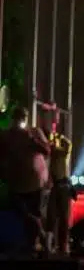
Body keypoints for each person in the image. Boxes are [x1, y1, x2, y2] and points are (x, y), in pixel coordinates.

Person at [0, 106, 50, 256]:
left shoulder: (34, 132)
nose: (20, 121)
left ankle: (34, 244)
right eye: (18, 117)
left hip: (34, 181)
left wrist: (32, 139)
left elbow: (47, 150)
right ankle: (40, 236)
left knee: (34, 212)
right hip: (15, 181)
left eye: (22, 117)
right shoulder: (6, 135)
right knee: (21, 212)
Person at [46, 126, 73, 256]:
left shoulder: (62, 152)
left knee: (63, 217)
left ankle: (63, 245)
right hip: (56, 186)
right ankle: (50, 245)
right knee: (52, 215)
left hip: (63, 186)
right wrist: (54, 138)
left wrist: (61, 137)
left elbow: (68, 144)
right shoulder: (52, 151)